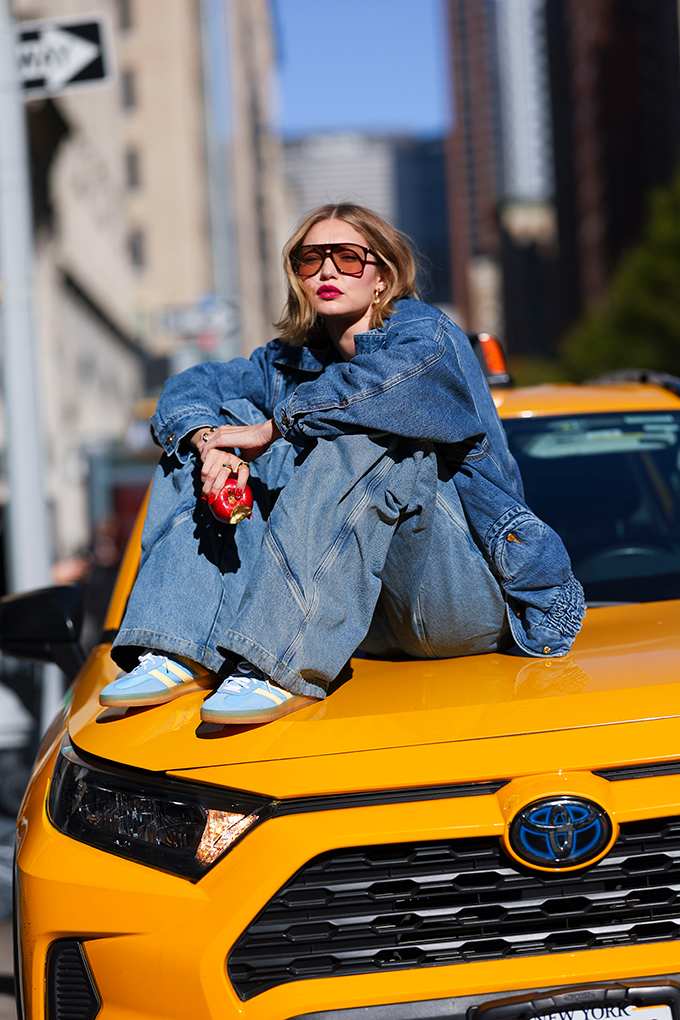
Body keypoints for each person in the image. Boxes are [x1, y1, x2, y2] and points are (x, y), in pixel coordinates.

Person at [100, 203, 585, 726]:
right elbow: (192, 386)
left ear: (384, 275)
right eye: (311, 260)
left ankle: (276, 667)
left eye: (348, 258)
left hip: (455, 594)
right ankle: (179, 646)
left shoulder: (427, 335)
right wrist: (208, 440)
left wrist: (274, 426)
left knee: (361, 430)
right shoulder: (286, 362)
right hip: (357, 621)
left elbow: (388, 385)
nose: (328, 271)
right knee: (211, 428)